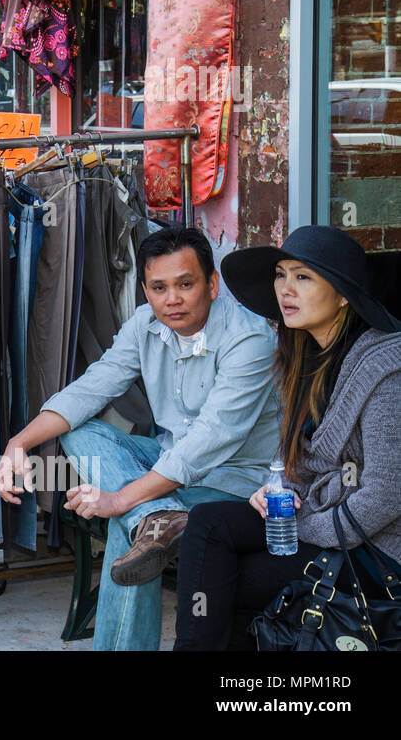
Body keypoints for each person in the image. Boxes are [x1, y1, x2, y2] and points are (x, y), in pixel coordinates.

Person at [0, 224, 281, 650]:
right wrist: (18, 443)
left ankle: (151, 520)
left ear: (213, 283)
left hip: (233, 481)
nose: (172, 299)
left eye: (186, 284)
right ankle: (158, 518)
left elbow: (210, 440)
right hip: (166, 462)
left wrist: (123, 499)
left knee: (130, 530)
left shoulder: (250, 339)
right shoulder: (145, 323)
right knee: (84, 431)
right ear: (145, 290)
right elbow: (92, 388)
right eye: (159, 287)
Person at [174, 225, 401, 650]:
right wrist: (274, 490)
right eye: (281, 275)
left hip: (378, 548)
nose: (285, 289)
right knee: (207, 524)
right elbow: (296, 465)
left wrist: (304, 525)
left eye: (303, 277)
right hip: (318, 517)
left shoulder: (387, 368)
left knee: (231, 583)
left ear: (344, 294)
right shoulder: (302, 359)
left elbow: (387, 493)